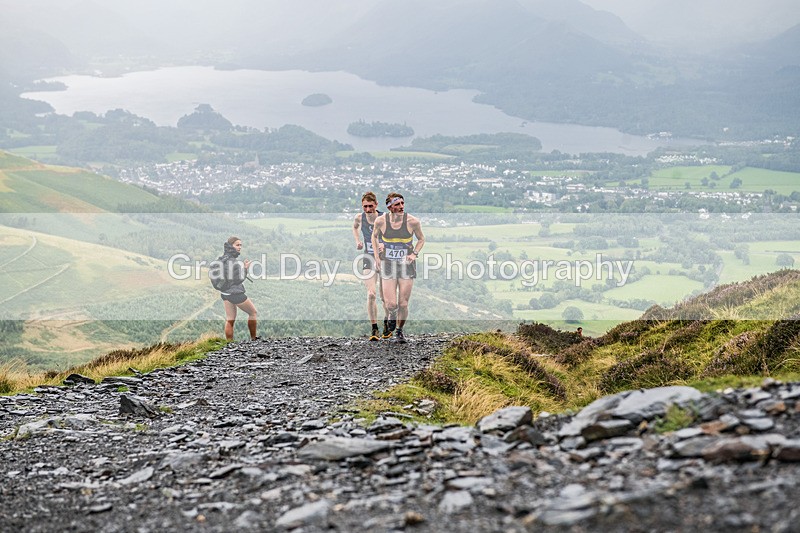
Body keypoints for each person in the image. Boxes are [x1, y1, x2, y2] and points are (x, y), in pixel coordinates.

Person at [372, 192, 425, 344]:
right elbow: (374, 237)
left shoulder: (412, 221)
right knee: (391, 304)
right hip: (388, 264)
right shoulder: (381, 221)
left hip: (406, 265)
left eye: (402, 203)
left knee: (403, 303)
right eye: (397, 204)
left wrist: (414, 254)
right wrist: (377, 256)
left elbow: (421, 239)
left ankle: (399, 331)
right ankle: (391, 315)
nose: (401, 207)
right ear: (389, 207)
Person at [352, 191, 389, 340]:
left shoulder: (384, 218)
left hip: (385, 258)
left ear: (376, 205)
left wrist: (384, 245)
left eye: (370, 206)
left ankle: (387, 323)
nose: (368, 210)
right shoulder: (359, 217)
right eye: (365, 206)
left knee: (385, 297)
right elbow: (354, 227)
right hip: (368, 257)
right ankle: (374, 328)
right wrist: (357, 241)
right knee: (371, 294)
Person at [216, 236, 258, 341]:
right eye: (237, 245)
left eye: (240, 245)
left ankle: (229, 344)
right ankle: (254, 339)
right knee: (253, 313)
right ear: (231, 246)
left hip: (225, 293)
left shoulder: (222, 259)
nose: (240, 247)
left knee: (230, 319)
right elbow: (238, 280)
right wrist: (245, 269)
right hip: (235, 294)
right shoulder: (233, 262)